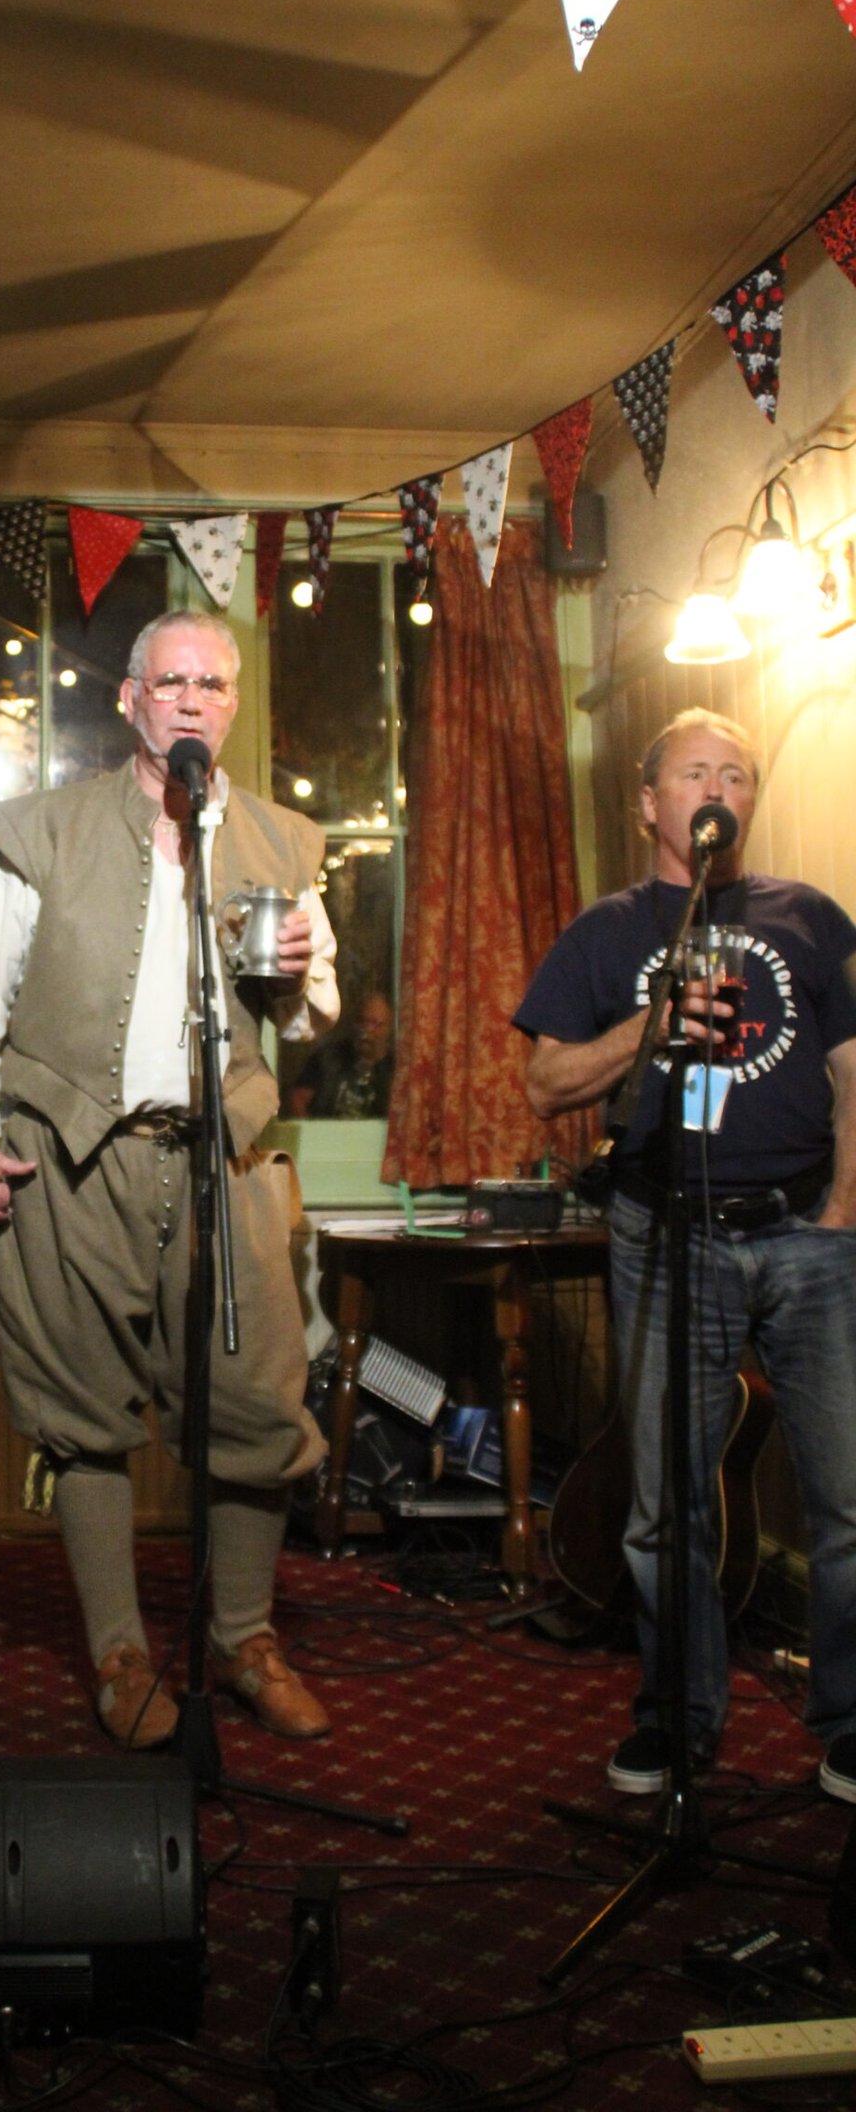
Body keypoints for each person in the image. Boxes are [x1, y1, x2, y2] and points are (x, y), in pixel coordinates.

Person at [0, 609, 340, 1749]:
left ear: (232, 704)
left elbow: (311, 1016)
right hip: (70, 1161)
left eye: (213, 684)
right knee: (81, 1412)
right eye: (171, 681)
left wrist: (301, 976)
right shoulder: (49, 831)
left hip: (219, 1160)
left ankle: (244, 1639)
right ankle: (118, 1653)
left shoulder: (281, 843)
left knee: (256, 1404)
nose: (192, 700)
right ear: (130, 698)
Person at [514, 709, 856, 1799]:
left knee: (848, 1499)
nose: (718, 788)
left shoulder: (808, 916)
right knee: (666, 1507)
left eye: (736, 774)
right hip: (664, 1238)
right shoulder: (606, 932)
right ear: (649, 804)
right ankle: (676, 1716)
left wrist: (845, 1209)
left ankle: (850, 1722)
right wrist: (649, 1026)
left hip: (807, 1234)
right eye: (694, 772)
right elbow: (545, 1084)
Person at [286, 989, 394, 1119]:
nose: (367, 1030)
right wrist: (312, 1130)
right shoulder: (328, 1058)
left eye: (376, 1024)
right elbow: (298, 1099)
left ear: (388, 1028)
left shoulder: (396, 1068)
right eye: (362, 1021)